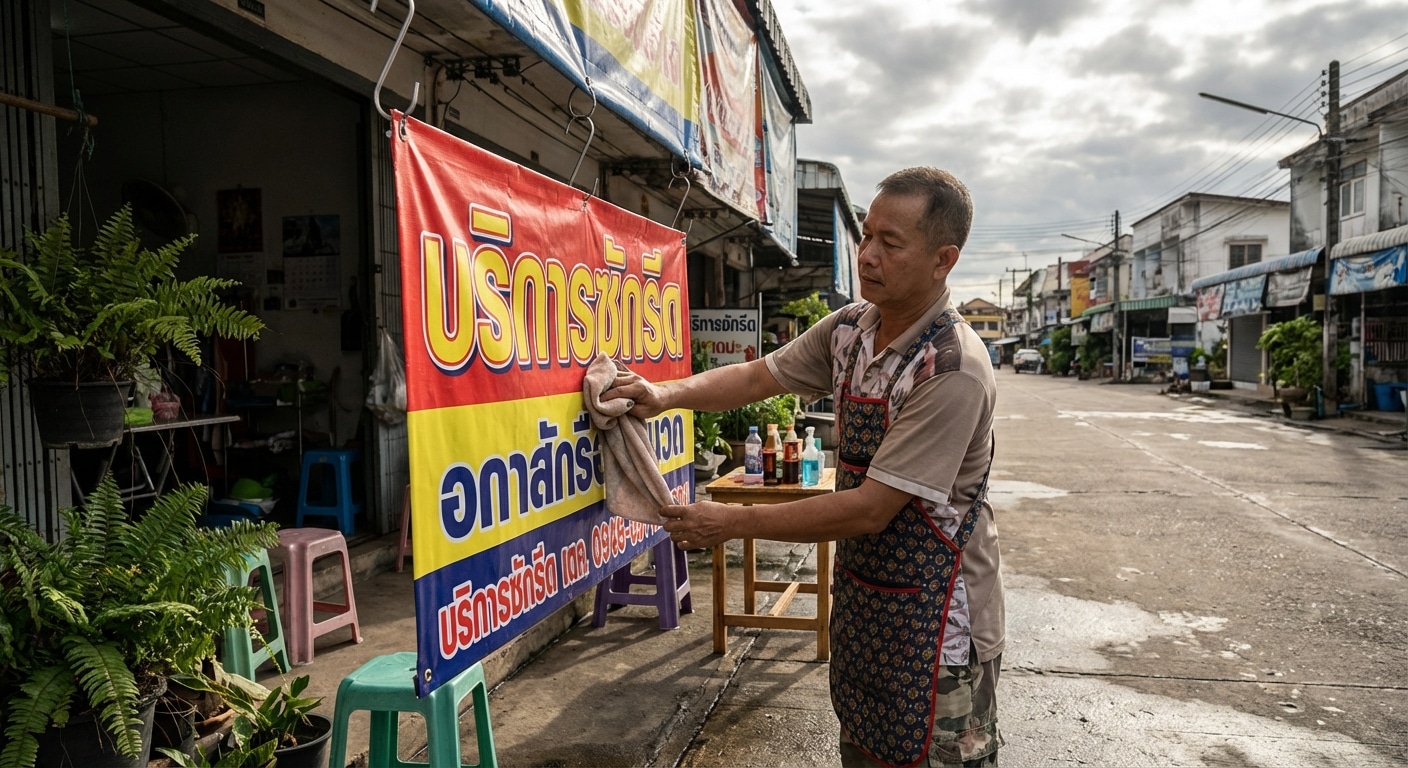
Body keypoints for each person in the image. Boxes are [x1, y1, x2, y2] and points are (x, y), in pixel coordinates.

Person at [603, 167, 1003, 767]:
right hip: (868, 599)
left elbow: (869, 509)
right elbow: (757, 376)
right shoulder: (850, 330)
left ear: (943, 260)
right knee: (863, 749)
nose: (867, 256)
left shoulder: (950, 369)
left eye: (890, 243)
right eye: (866, 236)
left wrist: (732, 522)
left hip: (942, 621)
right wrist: (664, 394)